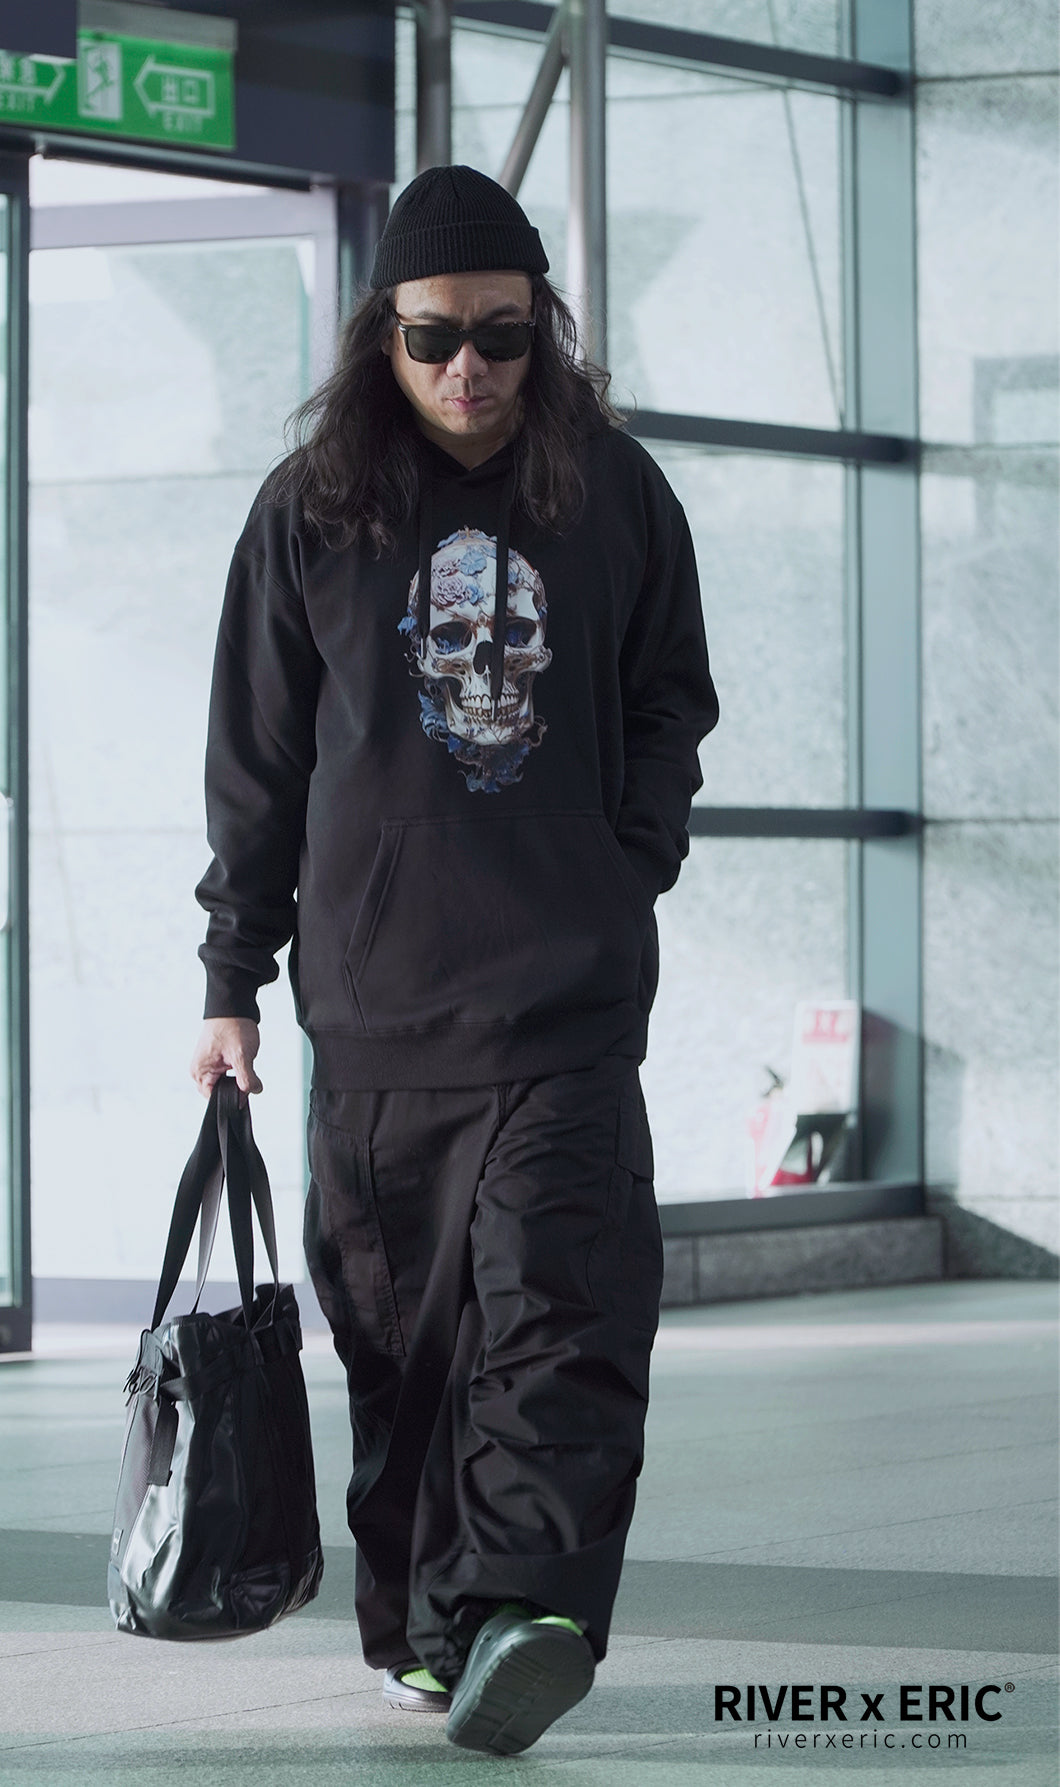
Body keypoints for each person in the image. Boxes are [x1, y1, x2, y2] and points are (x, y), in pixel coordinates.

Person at [190, 163, 719, 1757]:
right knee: (406, 1358)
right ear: (385, 339)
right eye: (434, 338)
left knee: (563, 1315)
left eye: (502, 335)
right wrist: (231, 978)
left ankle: (526, 1614)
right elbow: (258, 765)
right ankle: (436, 1636)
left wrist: (626, 863)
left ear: (544, 333)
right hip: (377, 1015)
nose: (469, 368)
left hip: (565, 1006)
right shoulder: (308, 511)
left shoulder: (615, 494)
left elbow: (669, 702)